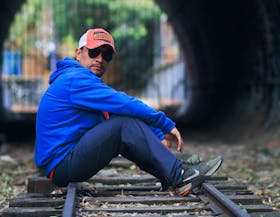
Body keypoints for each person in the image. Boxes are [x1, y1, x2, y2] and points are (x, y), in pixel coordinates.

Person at [34, 28, 223, 196]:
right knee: (123, 126)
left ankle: (172, 174)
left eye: (106, 55)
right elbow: (124, 103)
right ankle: (179, 176)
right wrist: (164, 124)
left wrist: (157, 135)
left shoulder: (78, 80)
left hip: (64, 163)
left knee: (122, 124)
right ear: (78, 53)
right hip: (62, 166)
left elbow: (115, 112)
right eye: (93, 52)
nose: (99, 59)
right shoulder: (75, 80)